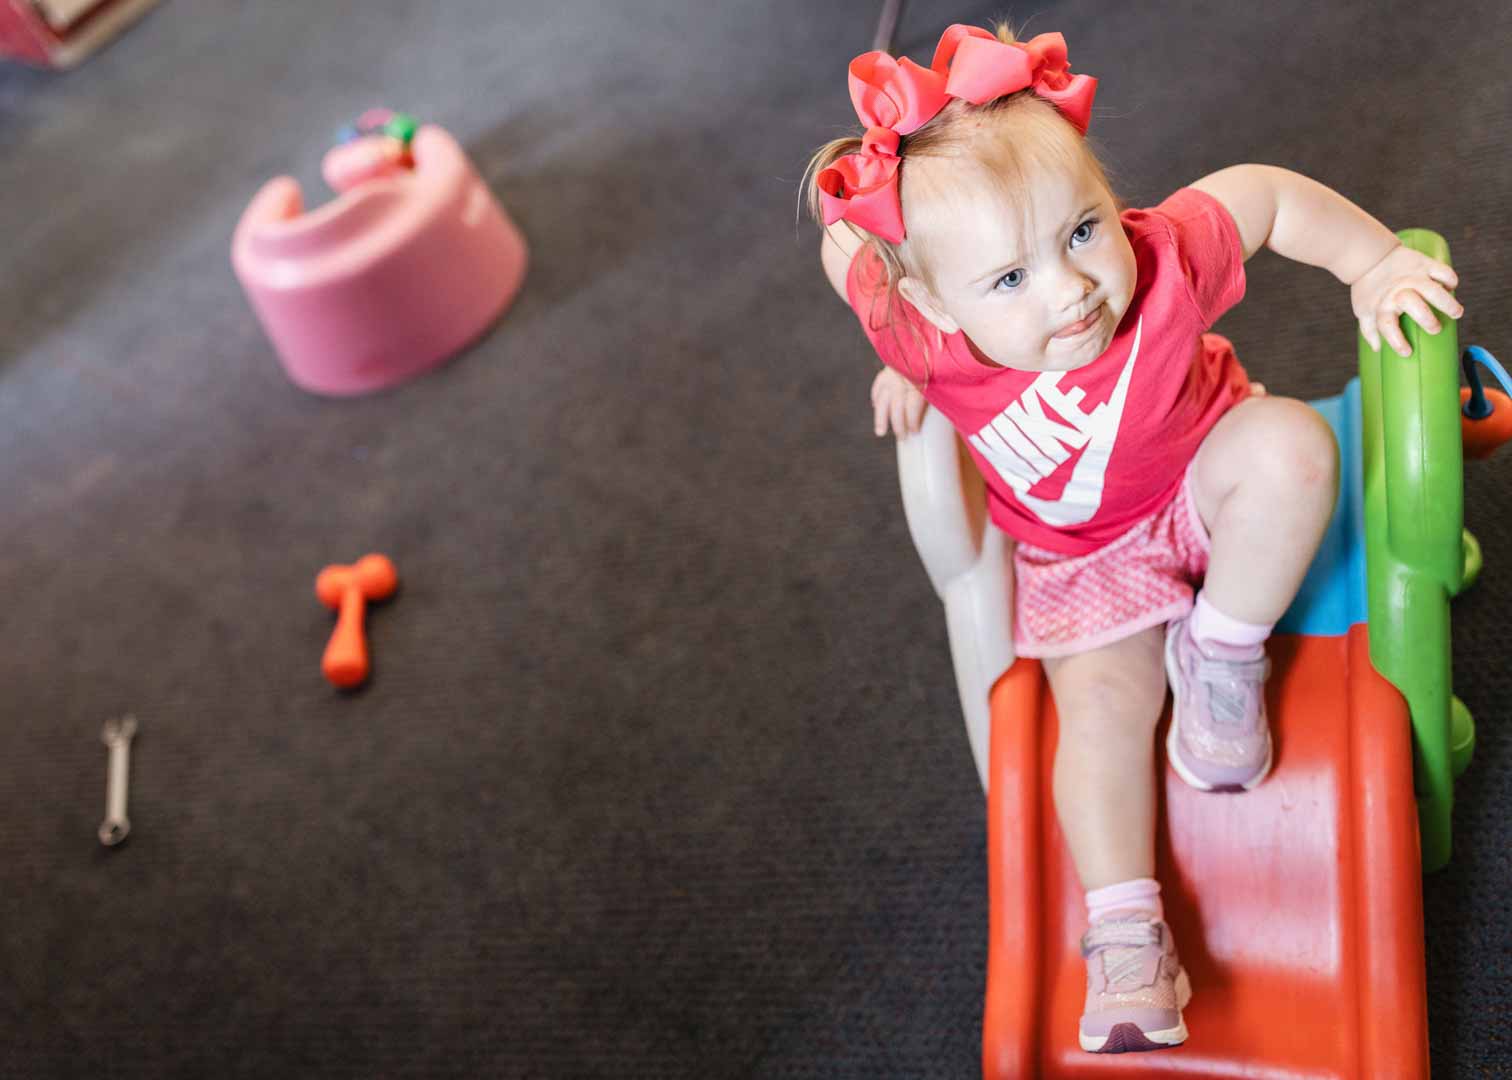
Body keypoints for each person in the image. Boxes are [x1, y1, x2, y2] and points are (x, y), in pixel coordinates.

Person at [802, 22, 1461, 1055]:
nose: (1069, 290)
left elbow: (1271, 194)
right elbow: (848, 242)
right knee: (1099, 716)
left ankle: (1221, 649)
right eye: (1008, 282)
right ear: (932, 305)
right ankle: (1124, 932)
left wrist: (1373, 264)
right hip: (1079, 561)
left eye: (1079, 231)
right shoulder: (917, 327)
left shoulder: (1161, 261)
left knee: (1294, 452)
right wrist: (908, 355)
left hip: (1205, 477)